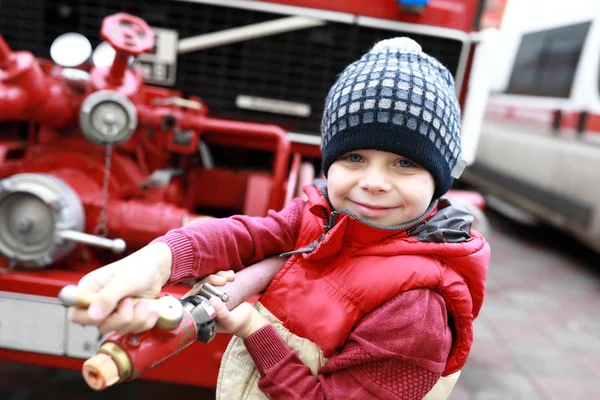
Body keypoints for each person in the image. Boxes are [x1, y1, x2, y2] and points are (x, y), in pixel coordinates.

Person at [69, 37, 490, 400]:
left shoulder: (416, 313)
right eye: (355, 157)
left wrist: (254, 330)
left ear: (438, 179)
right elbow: (245, 235)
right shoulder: (324, 216)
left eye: (404, 164)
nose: (374, 182)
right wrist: (160, 259)